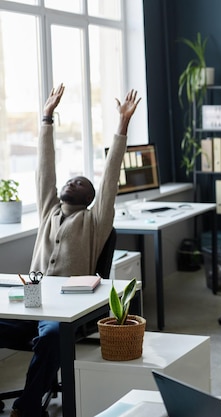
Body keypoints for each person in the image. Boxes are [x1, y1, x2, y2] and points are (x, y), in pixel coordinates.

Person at [0, 84, 140, 417]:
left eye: (81, 183)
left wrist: (122, 127)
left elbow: (109, 178)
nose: (71, 183)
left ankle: (28, 405)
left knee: (50, 337)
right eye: (70, 180)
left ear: (90, 198)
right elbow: (44, 169)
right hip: (31, 298)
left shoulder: (95, 221)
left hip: (64, 306)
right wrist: (46, 118)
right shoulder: (49, 209)